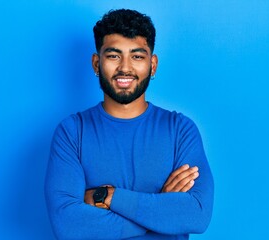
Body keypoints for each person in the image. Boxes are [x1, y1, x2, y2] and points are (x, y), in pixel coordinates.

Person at [45, 9, 214, 239]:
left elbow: (197, 215)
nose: (125, 67)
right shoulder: (73, 132)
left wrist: (107, 197)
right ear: (96, 64)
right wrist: (160, 209)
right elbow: (68, 226)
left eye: (137, 56)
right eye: (114, 55)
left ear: (152, 65)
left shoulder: (180, 130)